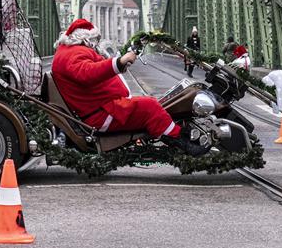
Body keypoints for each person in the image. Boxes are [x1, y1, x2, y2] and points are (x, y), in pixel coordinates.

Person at [52, 19, 206, 155]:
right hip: (102, 114)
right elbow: (87, 72)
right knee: (150, 107)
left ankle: (174, 132)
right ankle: (181, 141)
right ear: (86, 38)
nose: (97, 42)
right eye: (95, 39)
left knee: (152, 104)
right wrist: (119, 62)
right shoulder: (73, 53)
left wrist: (120, 64)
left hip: (101, 107)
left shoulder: (69, 51)